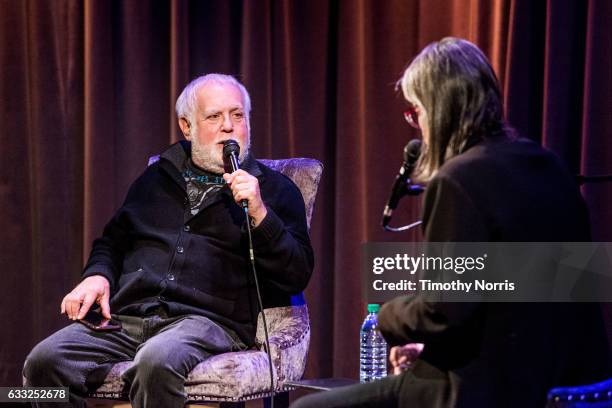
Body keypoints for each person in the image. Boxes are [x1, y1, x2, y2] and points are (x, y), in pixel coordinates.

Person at [291, 38, 610, 408]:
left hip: (491, 390)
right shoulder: (550, 166)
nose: (418, 125)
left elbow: (442, 311)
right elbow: (519, 297)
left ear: (439, 110)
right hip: (575, 384)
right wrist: (432, 348)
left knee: (307, 407)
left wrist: (389, 316)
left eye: (417, 112)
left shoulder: (459, 181)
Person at [23, 73, 314, 408]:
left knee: (155, 362)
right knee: (42, 362)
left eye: (237, 115)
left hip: (206, 323)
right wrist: (97, 276)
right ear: (187, 127)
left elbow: (297, 273)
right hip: (128, 319)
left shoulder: (275, 190)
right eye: (214, 116)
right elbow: (113, 240)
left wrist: (261, 214)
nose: (228, 127)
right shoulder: (156, 179)